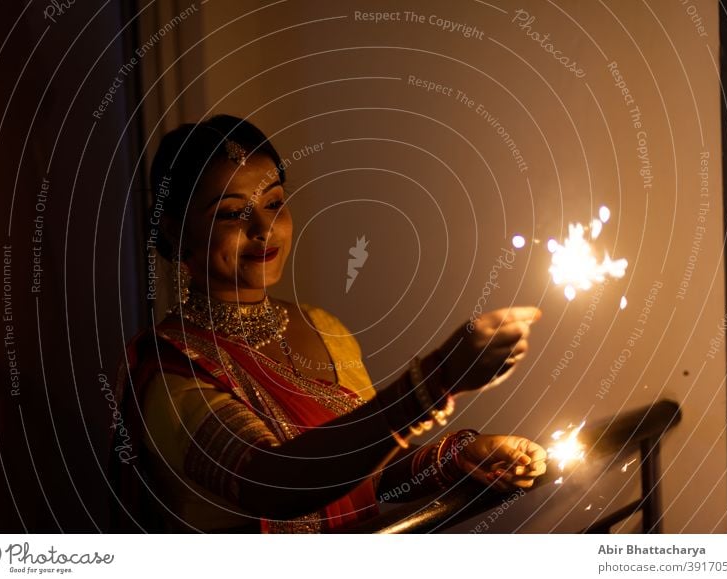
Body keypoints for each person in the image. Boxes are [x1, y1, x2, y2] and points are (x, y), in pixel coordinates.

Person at [108, 114, 547, 533]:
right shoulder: (170, 370)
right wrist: (435, 380)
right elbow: (277, 484)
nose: (264, 228)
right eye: (231, 213)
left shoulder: (323, 328)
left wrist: (459, 457)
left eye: (275, 203)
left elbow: (367, 472)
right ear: (175, 230)